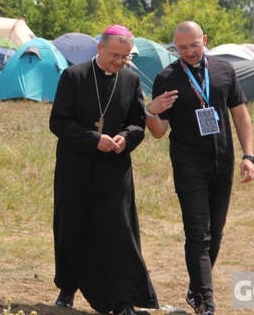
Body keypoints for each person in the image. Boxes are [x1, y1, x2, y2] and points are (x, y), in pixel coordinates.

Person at [145, 21, 254, 315]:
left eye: (195, 45)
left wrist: (249, 156)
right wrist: (150, 111)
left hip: (223, 162)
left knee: (215, 234)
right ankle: (206, 302)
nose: (190, 52)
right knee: (198, 234)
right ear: (174, 47)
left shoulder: (223, 71)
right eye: (182, 48)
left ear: (204, 39)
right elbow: (159, 132)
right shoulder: (166, 77)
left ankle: (196, 288)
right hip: (188, 164)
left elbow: (241, 116)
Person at [49, 25, 158, 315]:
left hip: (114, 168)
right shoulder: (74, 76)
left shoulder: (131, 80)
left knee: (117, 231)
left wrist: (127, 138)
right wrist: (94, 139)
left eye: (125, 57)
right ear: (99, 48)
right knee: (73, 226)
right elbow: (58, 122)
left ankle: (121, 296)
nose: (119, 62)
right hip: (76, 167)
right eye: (114, 56)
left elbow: (138, 122)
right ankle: (67, 287)